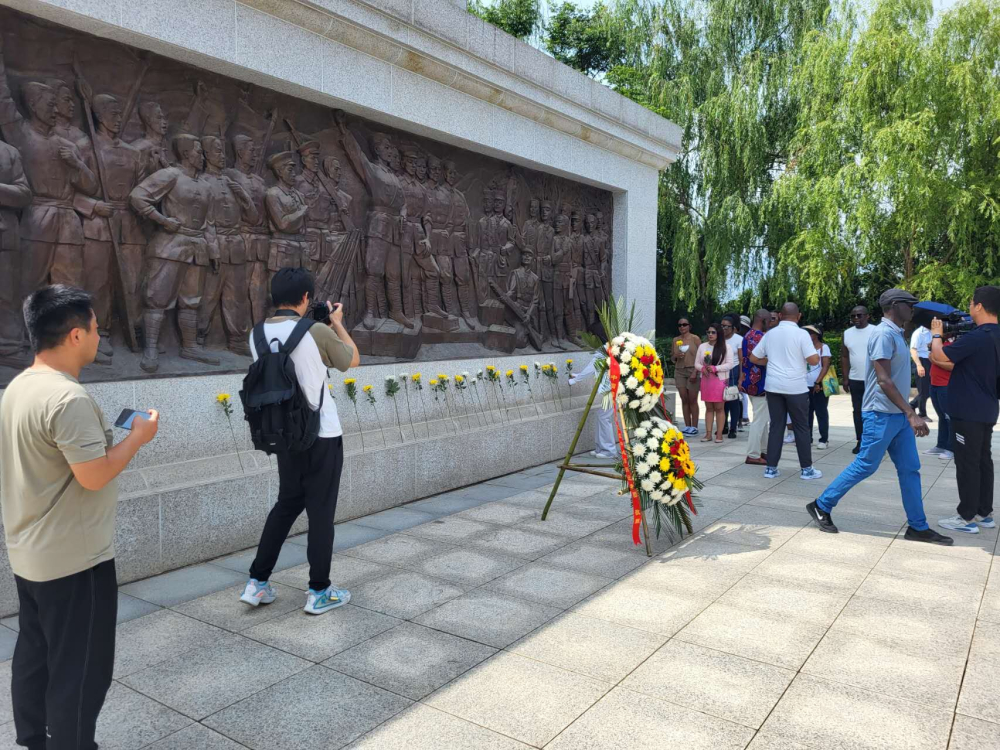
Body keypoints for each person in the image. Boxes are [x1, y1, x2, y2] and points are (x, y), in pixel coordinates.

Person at [0, 285, 160, 749]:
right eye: (95, 328)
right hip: (75, 559)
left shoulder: (19, 385)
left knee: (35, 654)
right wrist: (139, 437)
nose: (98, 336)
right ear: (74, 334)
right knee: (82, 670)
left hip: (31, 553)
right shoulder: (68, 399)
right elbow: (93, 476)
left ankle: (34, 739)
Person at [241, 268, 360, 615]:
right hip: (321, 433)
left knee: (286, 505)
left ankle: (256, 583)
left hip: (284, 434)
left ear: (274, 297)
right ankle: (319, 590)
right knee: (321, 512)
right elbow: (351, 360)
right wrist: (337, 322)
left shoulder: (256, 334)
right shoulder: (317, 330)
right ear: (306, 298)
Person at [806, 288, 952, 546]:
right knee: (866, 464)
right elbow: (883, 380)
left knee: (910, 469)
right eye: (909, 304)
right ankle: (821, 505)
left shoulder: (896, 333)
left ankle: (918, 527)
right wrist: (912, 413)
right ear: (895, 305)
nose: (912, 308)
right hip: (880, 413)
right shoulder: (883, 334)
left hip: (897, 415)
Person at [932, 285, 1000, 534]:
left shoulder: (977, 336)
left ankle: (966, 517)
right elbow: (970, 368)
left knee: (967, 463)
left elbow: (939, 357)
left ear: (979, 306)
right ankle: (985, 513)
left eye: (971, 303)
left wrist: (937, 334)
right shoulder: (994, 336)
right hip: (987, 408)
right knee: (983, 461)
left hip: (967, 411)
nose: (969, 307)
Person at [749, 303, 823, 480]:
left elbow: (753, 357)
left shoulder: (770, 334)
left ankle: (771, 469)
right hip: (795, 387)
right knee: (801, 428)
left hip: (773, 386)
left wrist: (771, 362)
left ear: (781, 315)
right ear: (799, 316)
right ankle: (806, 469)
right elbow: (813, 361)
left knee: (776, 426)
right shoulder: (802, 334)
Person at [842, 305, 876, 454]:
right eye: (853, 316)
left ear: (867, 316)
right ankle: (860, 440)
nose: (856, 318)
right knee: (858, 412)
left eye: (859, 315)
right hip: (855, 379)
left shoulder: (876, 331)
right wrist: (845, 377)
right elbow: (844, 356)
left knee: (875, 412)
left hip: (874, 379)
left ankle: (875, 442)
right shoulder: (847, 333)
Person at [569, 349, 615, 458]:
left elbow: (592, 367)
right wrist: (579, 375)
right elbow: (593, 365)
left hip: (612, 387)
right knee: (602, 416)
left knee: (604, 417)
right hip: (611, 387)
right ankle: (601, 448)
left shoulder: (605, 349)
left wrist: (575, 380)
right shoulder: (606, 348)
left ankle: (609, 451)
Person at [695, 323, 734, 443]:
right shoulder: (702, 346)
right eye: (708, 332)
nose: (710, 335)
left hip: (719, 380)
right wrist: (702, 369)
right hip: (706, 380)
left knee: (719, 408)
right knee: (709, 407)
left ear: (718, 333)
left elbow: (730, 364)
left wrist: (715, 368)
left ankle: (719, 434)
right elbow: (696, 363)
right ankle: (708, 434)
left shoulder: (726, 347)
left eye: (713, 332)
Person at [741, 309, 770, 465]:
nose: (770, 324)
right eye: (769, 320)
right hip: (760, 383)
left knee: (762, 417)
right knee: (759, 419)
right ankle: (753, 454)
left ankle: (763, 450)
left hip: (750, 382)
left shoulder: (747, 335)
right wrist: (773, 360)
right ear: (762, 319)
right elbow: (757, 359)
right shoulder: (760, 337)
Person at [670, 317, 702, 435]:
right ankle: (687, 426)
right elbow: (672, 358)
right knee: (684, 399)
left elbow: (701, 356)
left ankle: (695, 426)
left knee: (692, 399)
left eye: (684, 324)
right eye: (680, 325)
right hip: (679, 370)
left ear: (689, 326)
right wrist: (676, 355)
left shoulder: (695, 339)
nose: (682, 327)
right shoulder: (675, 340)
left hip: (693, 370)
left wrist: (696, 371)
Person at [925, 336, 954, 461]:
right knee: (942, 417)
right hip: (935, 384)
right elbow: (931, 356)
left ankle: (951, 448)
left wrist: (935, 361)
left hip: (946, 385)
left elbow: (953, 366)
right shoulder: (938, 344)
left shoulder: (954, 345)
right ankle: (941, 445)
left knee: (950, 418)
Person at [804, 325, 832, 449]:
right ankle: (807, 437)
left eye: (810, 332)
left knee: (821, 412)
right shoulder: (804, 348)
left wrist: (818, 382)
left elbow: (825, 366)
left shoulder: (824, 348)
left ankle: (823, 439)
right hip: (805, 385)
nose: (808, 334)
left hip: (818, 385)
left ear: (817, 334)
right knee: (807, 412)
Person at [721, 315, 743, 439]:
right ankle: (723, 425)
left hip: (733, 370)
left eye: (726, 326)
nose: (723, 328)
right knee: (722, 401)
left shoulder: (738, 339)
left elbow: (741, 359)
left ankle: (733, 427)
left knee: (733, 399)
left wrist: (741, 377)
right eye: (722, 325)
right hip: (720, 371)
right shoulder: (718, 338)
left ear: (733, 327)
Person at [909, 324, 932, 419]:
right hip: (921, 360)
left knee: (929, 390)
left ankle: (912, 405)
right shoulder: (918, 333)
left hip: (929, 361)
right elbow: (913, 350)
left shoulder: (932, 332)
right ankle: (922, 413)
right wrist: (919, 365)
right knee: (923, 389)